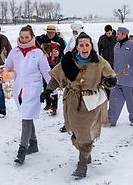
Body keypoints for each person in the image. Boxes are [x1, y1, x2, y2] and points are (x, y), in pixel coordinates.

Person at [40, 32, 117, 179]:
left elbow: (110, 77)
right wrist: (48, 90)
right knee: (76, 134)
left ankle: (82, 166)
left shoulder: (99, 62)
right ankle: (86, 153)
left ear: (91, 46)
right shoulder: (68, 61)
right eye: (81, 44)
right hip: (72, 103)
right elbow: (57, 78)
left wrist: (110, 82)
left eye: (87, 44)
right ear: (76, 47)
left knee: (85, 135)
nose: (84, 47)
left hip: (90, 103)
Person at [0, 25, 52, 164]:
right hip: (19, 91)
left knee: (26, 119)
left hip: (33, 91)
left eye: (26, 37)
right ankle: (33, 144)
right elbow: (7, 67)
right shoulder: (14, 52)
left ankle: (22, 149)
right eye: (21, 37)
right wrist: (1, 75)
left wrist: (53, 90)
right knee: (27, 116)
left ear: (32, 37)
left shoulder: (38, 53)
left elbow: (47, 73)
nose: (24, 39)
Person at [108, 27, 133, 126]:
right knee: (114, 102)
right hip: (117, 79)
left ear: (124, 35)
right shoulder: (116, 46)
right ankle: (110, 121)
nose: (116, 35)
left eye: (118, 34)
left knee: (132, 103)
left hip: (130, 80)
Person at [36, 25, 66, 115]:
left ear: (55, 32)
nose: (50, 34)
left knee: (54, 84)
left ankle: (54, 106)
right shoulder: (43, 38)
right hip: (45, 64)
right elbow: (37, 39)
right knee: (45, 84)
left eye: (52, 33)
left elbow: (63, 50)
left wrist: (58, 53)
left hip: (55, 65)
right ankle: (48, 103)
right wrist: (50, 41)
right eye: (49, 32)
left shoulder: (59, 40)